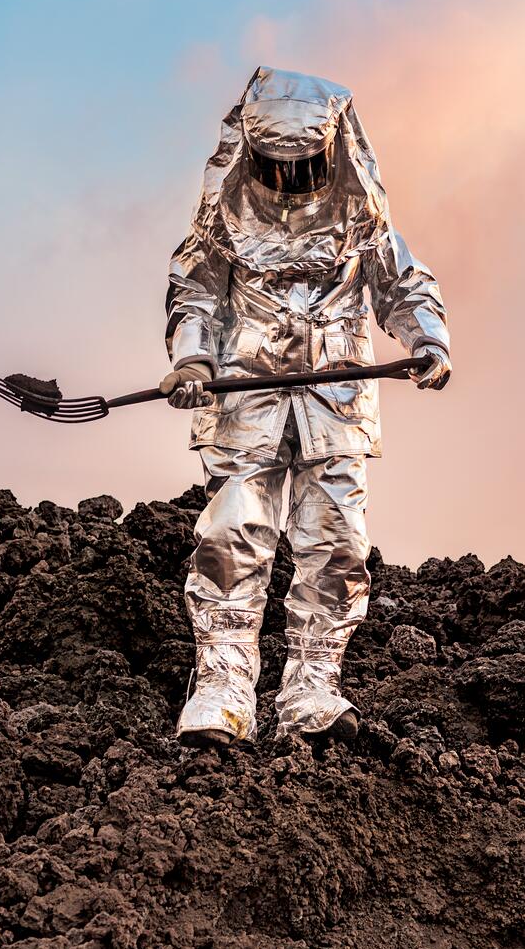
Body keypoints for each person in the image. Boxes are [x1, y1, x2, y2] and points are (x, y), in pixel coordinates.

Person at [161, 67, 451, 746]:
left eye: (305, 167)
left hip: (335, 403)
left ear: (331, 152)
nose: (290, 182)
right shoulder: (222, 223)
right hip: (245, 401)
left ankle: (312, 688)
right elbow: (194, 296)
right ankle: (224, 688)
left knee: (337, 546)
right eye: (275, 167)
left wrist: (428, 340)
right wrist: (192, 359)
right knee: (232, 536)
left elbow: (404, 288)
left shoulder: (360, 221)